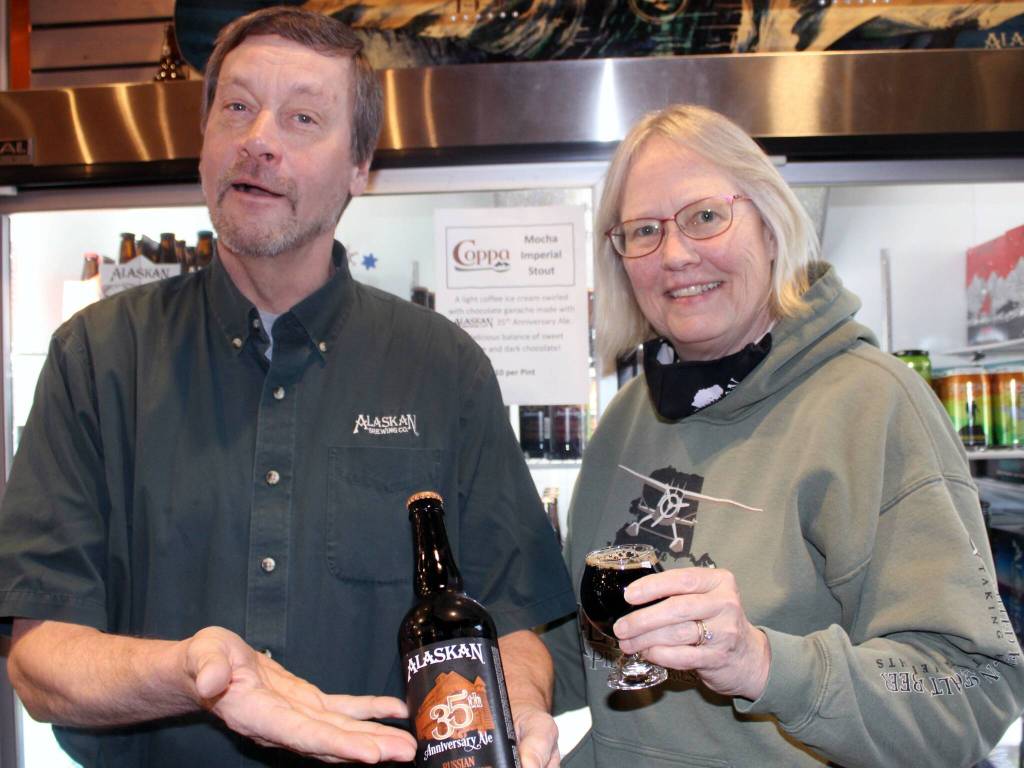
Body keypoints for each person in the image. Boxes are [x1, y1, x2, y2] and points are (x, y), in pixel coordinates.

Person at [0, 7, 574, 767]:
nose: (259, 139)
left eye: (303, 117)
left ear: (359, 166)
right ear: (203, 143)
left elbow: (515, 617)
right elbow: (40, 657)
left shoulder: (443, 367)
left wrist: (520, 708)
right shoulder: (98, 358)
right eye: (236, 107)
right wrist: (190, 675)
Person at [542, 103, 1024, 767]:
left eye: (706, 216)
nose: (675, 254)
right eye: (644, 230)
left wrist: (764, 663)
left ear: (770, 226)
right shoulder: (630, 417)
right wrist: (514, 671)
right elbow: (595, 651)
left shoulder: (873, 405)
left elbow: (972, 686)